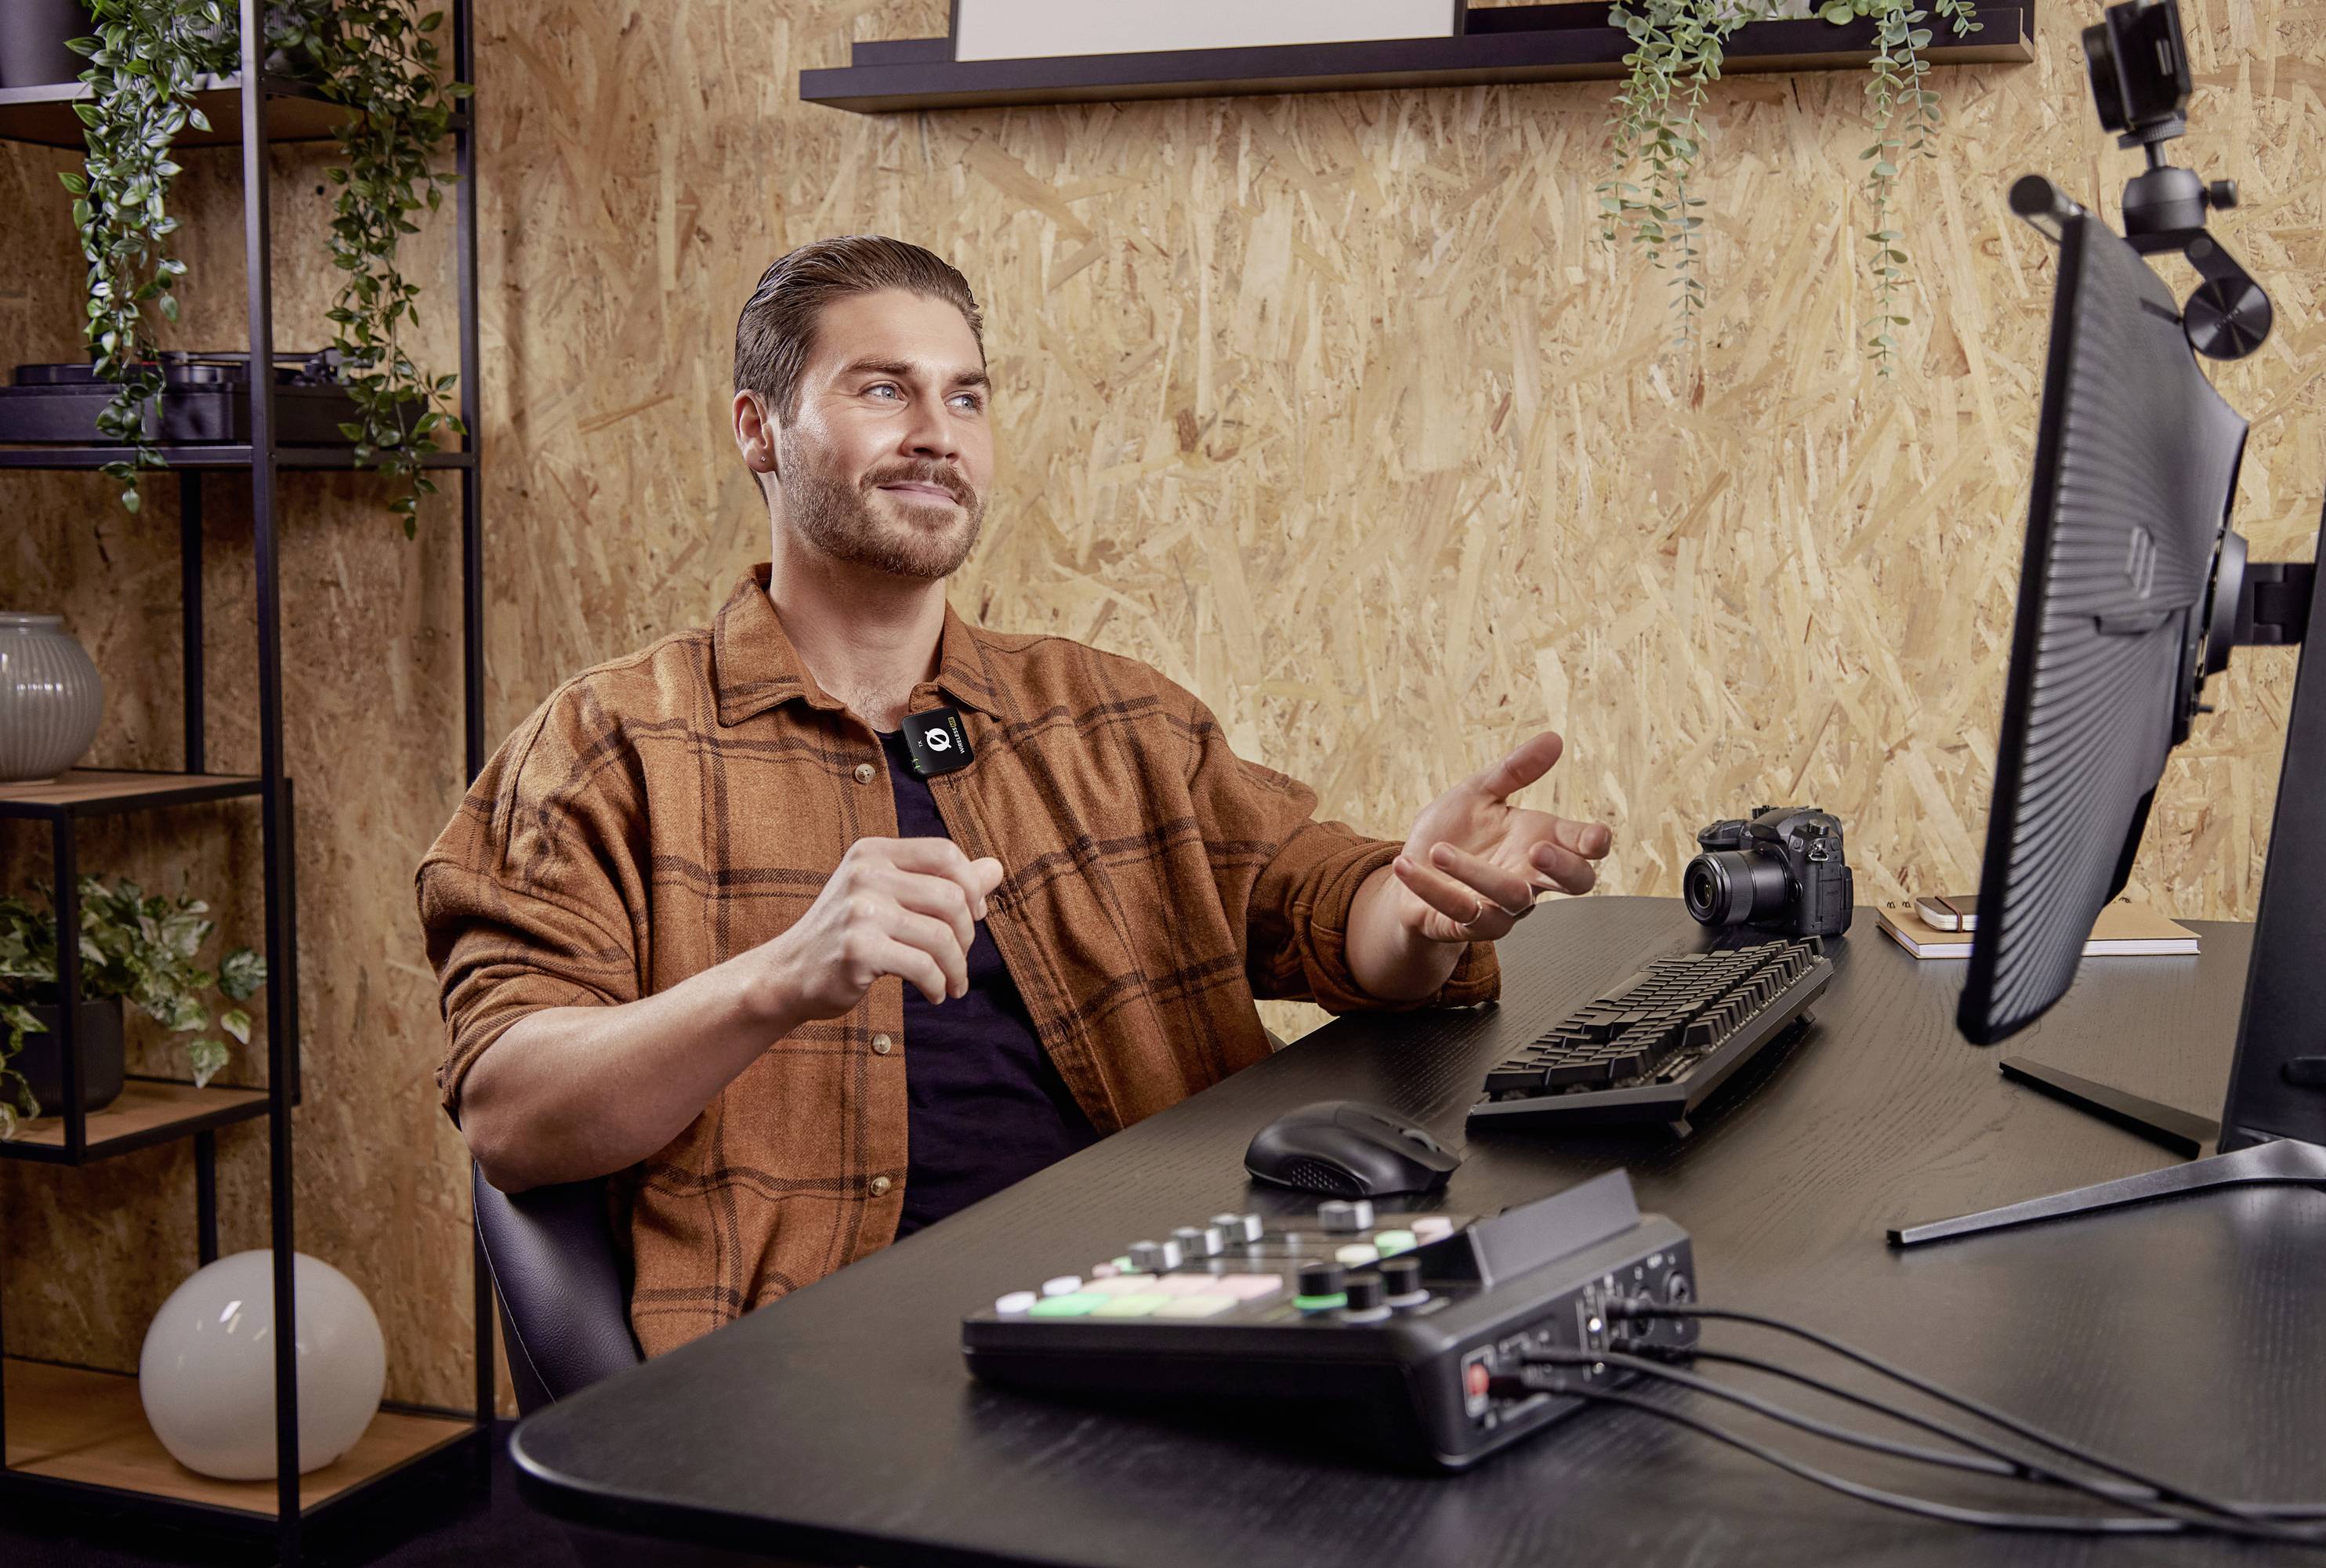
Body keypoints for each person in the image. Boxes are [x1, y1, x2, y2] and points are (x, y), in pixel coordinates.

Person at [418, 235, 1612, 1357]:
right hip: (827, 1353)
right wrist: (780, 977)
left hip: (1174, 1287)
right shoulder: (610, 745)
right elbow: (513, 1113)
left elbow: (1315, 905)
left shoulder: (1108, 716)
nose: (938, 432)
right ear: (758, 429)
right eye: (883, 390)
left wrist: (1421, 901)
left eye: (967, 396)